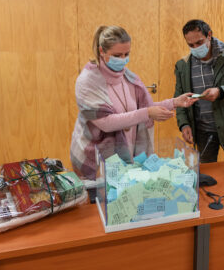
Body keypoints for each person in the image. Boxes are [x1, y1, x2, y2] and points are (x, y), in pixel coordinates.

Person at [71, 25, 197, 180]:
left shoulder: (128, 77)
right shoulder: (88, 81)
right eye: (117, 55)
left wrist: (174, 102)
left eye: (126, 54)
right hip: (96, 159)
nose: (123, 60)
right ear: (101, 51)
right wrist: (148, 113)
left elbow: (140, 109)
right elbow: (106, 122)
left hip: (124, 155)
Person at [174, 19, 224, 163]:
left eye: (199, 42)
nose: (195, 48)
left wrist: (220, 92)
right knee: (206, 177)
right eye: (190, 45)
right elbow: (179, 98)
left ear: (209, 35)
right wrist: (184, 124)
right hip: (203, 131)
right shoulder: (183, 65)